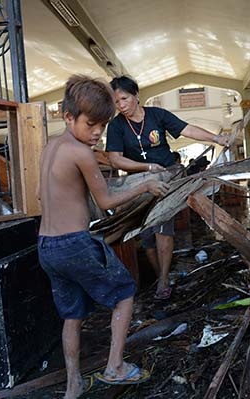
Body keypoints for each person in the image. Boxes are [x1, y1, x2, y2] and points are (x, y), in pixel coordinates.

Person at [37, 75, 169, 398]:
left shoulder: (51, 146)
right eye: (91, 124)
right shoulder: (81, 152)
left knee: (72, 314)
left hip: (46, 247)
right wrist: (145, 186)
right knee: (124, 292)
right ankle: (115, 367)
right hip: (73, 245)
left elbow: (43, 197)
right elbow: (106, 200)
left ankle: (73, 385)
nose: (97, 133)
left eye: (103, 125)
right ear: (69, 117)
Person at [106, 75, 230, 300]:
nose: (121, 105)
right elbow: (115, 159)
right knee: (146, 235)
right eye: (116, 102)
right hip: (139, 184)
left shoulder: (156, 115)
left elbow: (187, 130)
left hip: (167, 178)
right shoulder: (116, 126)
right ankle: (157, 273)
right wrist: (147, 166)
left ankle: (163, 278)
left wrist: (216, 138)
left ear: (136, 96)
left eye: (124, 98)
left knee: (163, 226)